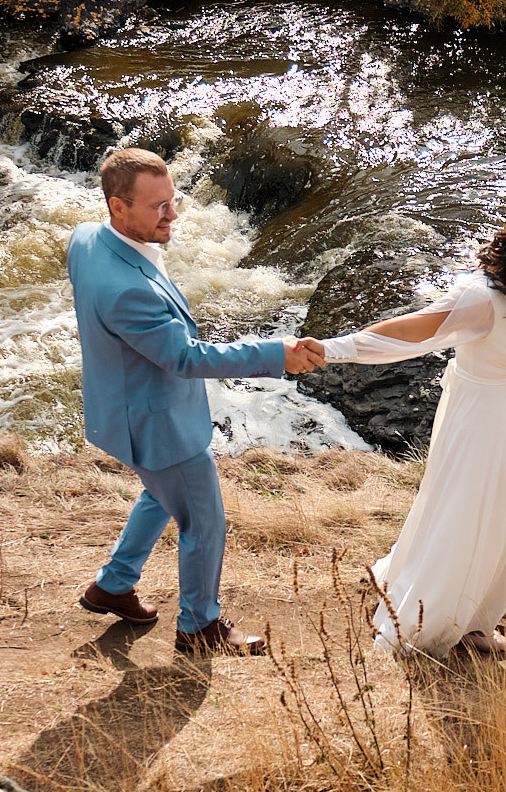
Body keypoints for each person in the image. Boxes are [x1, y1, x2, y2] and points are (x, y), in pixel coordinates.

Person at [65, 146, 325, 656]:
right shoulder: (126, 292)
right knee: (203, 521)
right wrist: (278, 353)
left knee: (162, 494)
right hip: (157, 422)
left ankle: (113, 585)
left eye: (173, 199)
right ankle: (200, 626)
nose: (173, 214)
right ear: (118, 208)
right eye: (157, 206)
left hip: (122, 406)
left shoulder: (86, 238)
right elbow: (185, 357)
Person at [317, 196, 506, 657]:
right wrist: (333, 349)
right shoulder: (483, 300)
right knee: (472, 517)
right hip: (480, 420)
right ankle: (447, 620)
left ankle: (478, 610)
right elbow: (411, 331)